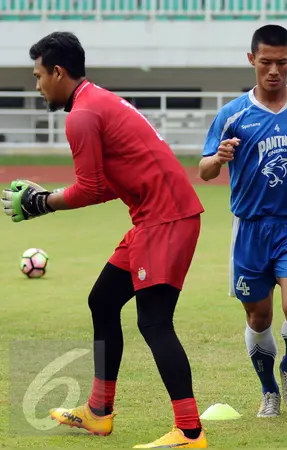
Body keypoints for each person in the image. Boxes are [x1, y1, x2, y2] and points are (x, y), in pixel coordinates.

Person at [1, 32, 208, 448]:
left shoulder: (81, 115)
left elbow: (92, 189)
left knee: (153, 322)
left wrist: (43, 202)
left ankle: (189, 431)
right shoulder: (96, 100)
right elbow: (111, 182)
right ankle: (98, 412)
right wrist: (48, 198)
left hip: (165, 221)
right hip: (155, 220)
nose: (38, 84)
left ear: (58, 72)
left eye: (39, 75)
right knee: (103, 301)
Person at [198, 24, 287, 418]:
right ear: (251, 59)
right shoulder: (232, 115)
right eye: (265, 62)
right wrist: (218, 157)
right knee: (258, 316)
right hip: (248, 229)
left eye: (281, 63)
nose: (273, 70)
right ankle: (268, 390)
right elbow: (203, 170)